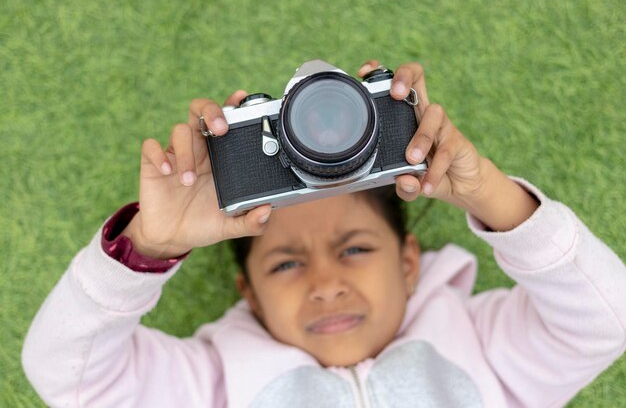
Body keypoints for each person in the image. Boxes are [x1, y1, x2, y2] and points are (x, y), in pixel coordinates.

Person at [22, 60, 626, 408]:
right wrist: (149, 245)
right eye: (284, 264)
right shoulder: (209, 385)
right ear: (247, 292)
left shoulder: (484, 344)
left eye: (356, 249)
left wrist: (488, 191)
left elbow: (608, 319)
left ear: (409, 260)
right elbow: (68, 377)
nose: (326, 284)